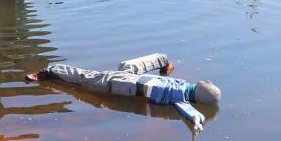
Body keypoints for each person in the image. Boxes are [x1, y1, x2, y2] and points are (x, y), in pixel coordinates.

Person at [26, 53, 221, 134]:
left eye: (208, 84)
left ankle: (48, 72)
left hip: (123, 84)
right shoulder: (184, 86)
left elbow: (193, 114)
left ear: (202, 91)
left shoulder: (182, 99)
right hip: (129, 75)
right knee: (137, 64)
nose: (208, 81)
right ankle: (163, 62)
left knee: (83, 78)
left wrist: (197, 122)